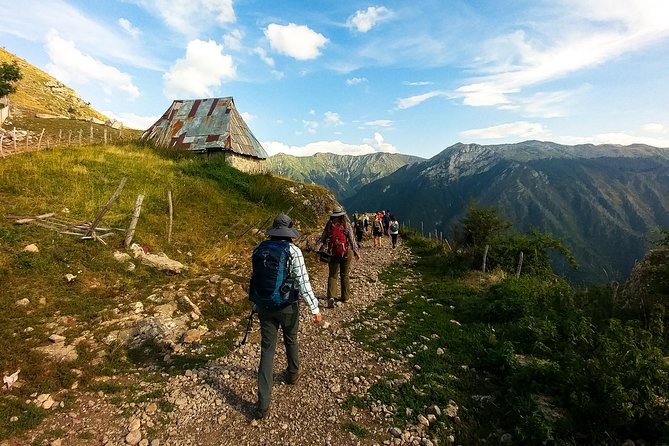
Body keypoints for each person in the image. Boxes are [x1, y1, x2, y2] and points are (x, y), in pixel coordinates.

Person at [250, 213, 322, 420]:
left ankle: (263, 405)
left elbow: (256, 280)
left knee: (267, 349)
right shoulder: (293, 251)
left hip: (264, 306)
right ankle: (292, 374)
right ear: (289, 231)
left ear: (273, 231)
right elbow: (303, 282)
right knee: (290, 339)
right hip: (288, 306)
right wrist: (315, 309)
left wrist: (256, 304)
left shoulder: (260, 249)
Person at [320, 206, 360, 306]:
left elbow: (323, 238)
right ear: (342, 214)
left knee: (333, 275)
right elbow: (352, 239)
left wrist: (321, 246)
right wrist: (356, 253)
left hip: (332, 253)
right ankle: (345, 297)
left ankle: (331, 296)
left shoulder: (330, 224)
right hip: (346, 252)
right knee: (344, 275)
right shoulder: (346, 224)